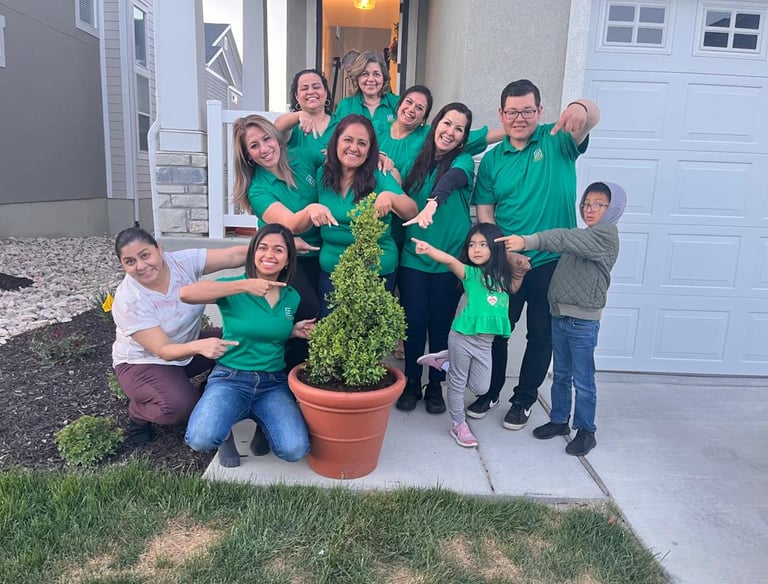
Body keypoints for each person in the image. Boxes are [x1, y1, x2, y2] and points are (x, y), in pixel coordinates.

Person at [471, 78, 601, 430]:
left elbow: (591, 117)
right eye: (512, 112)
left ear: (539, 111)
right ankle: (490, 392)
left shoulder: (556, 139)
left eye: (527, 110)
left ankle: (524, 399)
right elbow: (485, 213)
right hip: (507, 261)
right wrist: (503, 254)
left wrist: (580, 108)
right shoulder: (493, 160)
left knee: (541, 335)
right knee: (497, 330)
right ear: (501, 114)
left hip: (552, 262)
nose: (520, 118)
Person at [496, 181, 626, 456]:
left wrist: (527, 241)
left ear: (612, 209)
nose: (590, 210)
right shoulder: (585, 235)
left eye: (598, 205)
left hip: (582, 321)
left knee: (583, 379)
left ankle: (586, 430)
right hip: (561, 316)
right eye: (586, 204)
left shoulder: (604, 237)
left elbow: (563, 239)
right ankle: (559, 421)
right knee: (562, 375)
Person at [180, 224, 315, 467]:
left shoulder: (291, 297)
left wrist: (293, 331)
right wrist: (244, 285)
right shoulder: (232, 286)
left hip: (272, 383)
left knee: (294, 449)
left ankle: (261, 421)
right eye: (262, 248)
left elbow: (268, 332)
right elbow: (187, 294)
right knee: (201, 439)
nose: (269, 255)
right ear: (253, 253)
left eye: (278, 250)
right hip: (231, 378)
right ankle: (226, 432)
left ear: (287, 260)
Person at [110, 227, 248, 445]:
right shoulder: (129, 298)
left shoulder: (182, 263)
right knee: (181, 408)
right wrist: (199, 347)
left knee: (245, 341)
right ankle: (139, 412)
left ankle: (209, 392)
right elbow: (163, 351)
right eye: (130, 261)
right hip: (143, 362)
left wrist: (282, 247)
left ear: (159, 249)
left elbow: (234, 255)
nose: (141, 266)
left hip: (184, 348)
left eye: (145, 255)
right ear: (123, 265)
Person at [231, 114, 336, 370]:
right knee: (304, 308)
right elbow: (289, 224)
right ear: (247, 155)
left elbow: (343, 165)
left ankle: (312, 369)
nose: (264, 149)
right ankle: (289, 372)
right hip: (282, 259)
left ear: (277, 139)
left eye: (267, 139)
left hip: (318, 251)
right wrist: (310, 210)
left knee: (325, 309)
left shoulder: (303, 156)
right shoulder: (257, 190)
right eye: (254, 146)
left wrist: (377, 157)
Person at [411, 224, 529, 447]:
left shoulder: (502, 276)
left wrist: (520, 270)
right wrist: (429, 249)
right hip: (462, 338)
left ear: (496, 248)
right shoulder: (471, 274)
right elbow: (449, 261)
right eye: (472, 244)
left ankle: (445, 361)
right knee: (457, 383)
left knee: (480, 388)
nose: (476, 249)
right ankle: (459, 425)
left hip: (485, 343)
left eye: (483, 245)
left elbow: (513, 289)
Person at [394, 102, 474, 414]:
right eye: (447, 123)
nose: (450, 132)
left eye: (459, 129)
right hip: (413, 257)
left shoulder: (463, 162)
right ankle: (413, 381)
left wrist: (433, 203)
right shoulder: (417, 159)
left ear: (464, 137)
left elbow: (451, 180)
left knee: (440, 326)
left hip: (449, 259)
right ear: (435, 123)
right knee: (414, 323)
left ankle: (435, 385)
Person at [316, 114, 417, 315]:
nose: (354, 148)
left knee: (368, 340)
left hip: (375, 274)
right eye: (348, 140)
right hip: (332, 273)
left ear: (370, 150)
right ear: (336, 142)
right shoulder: (322, 175)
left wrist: (391, 196)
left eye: (362, 143)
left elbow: (411, 211)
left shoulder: (379, 177)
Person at [274, 68, 337, 152]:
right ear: (297, 96)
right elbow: (277, 126)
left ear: (325, 92)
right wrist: (299, 115)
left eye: (316, 87)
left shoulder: (340, 124)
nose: (310, 91)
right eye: (304, 88)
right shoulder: (292, 126)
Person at [334, 51, 400, 125]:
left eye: (376, 74)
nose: (371, 79)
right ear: (356, 78)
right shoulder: (345, 106)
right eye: (365, 74)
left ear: (384, 78)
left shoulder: (398, 103)